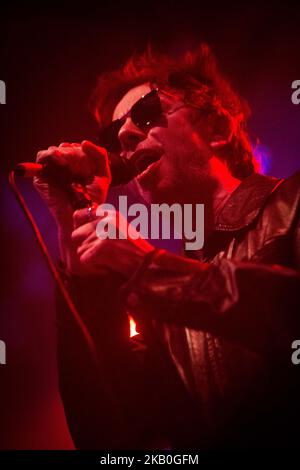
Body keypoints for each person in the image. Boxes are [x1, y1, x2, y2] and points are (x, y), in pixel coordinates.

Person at [34, 44, 300, 449]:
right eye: (113, 133)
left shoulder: (294, 203)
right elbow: (111, 437)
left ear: (217, 129)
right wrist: (83, 276)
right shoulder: (163, 309)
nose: (124, 136)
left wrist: (146, 269)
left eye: (146, 111)